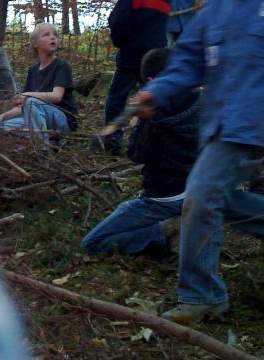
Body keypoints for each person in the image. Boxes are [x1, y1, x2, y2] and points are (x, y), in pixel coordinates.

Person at [130, 0, 264, 326]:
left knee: (200, 196)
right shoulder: (214, 10)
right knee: (214, 199)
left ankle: (202, 295)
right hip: (217, 122)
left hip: (256, 120)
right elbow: (187, 61)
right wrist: (156, 91)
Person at [82, 48, 199, 258]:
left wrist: (138, 123)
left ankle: (164, 233)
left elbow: (136, 154)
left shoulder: (152, 112)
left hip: (161, 199)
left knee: (93, 243)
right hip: (197, 192)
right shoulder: (199, 102)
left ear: (152, 80)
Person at [97, 0, 170, 155]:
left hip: (133, 54)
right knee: (152, 99)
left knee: (117, 98)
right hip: (154, 57)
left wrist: (124, 42)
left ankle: (113, 141)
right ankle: (152, 140)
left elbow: (117, 21)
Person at [0, 23, 78, 144]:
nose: (52, 37)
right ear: (35, 44)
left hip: (62, 121)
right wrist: (2, 116)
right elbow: (25, 108)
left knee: (31, 102)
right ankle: (46, 142)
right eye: (46, 35)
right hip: (38, 120)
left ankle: (42, 148)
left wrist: (27, 95)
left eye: (55, 35)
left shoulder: (61, 65)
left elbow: (57, 96)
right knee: (2, 126)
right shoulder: (32, 70)